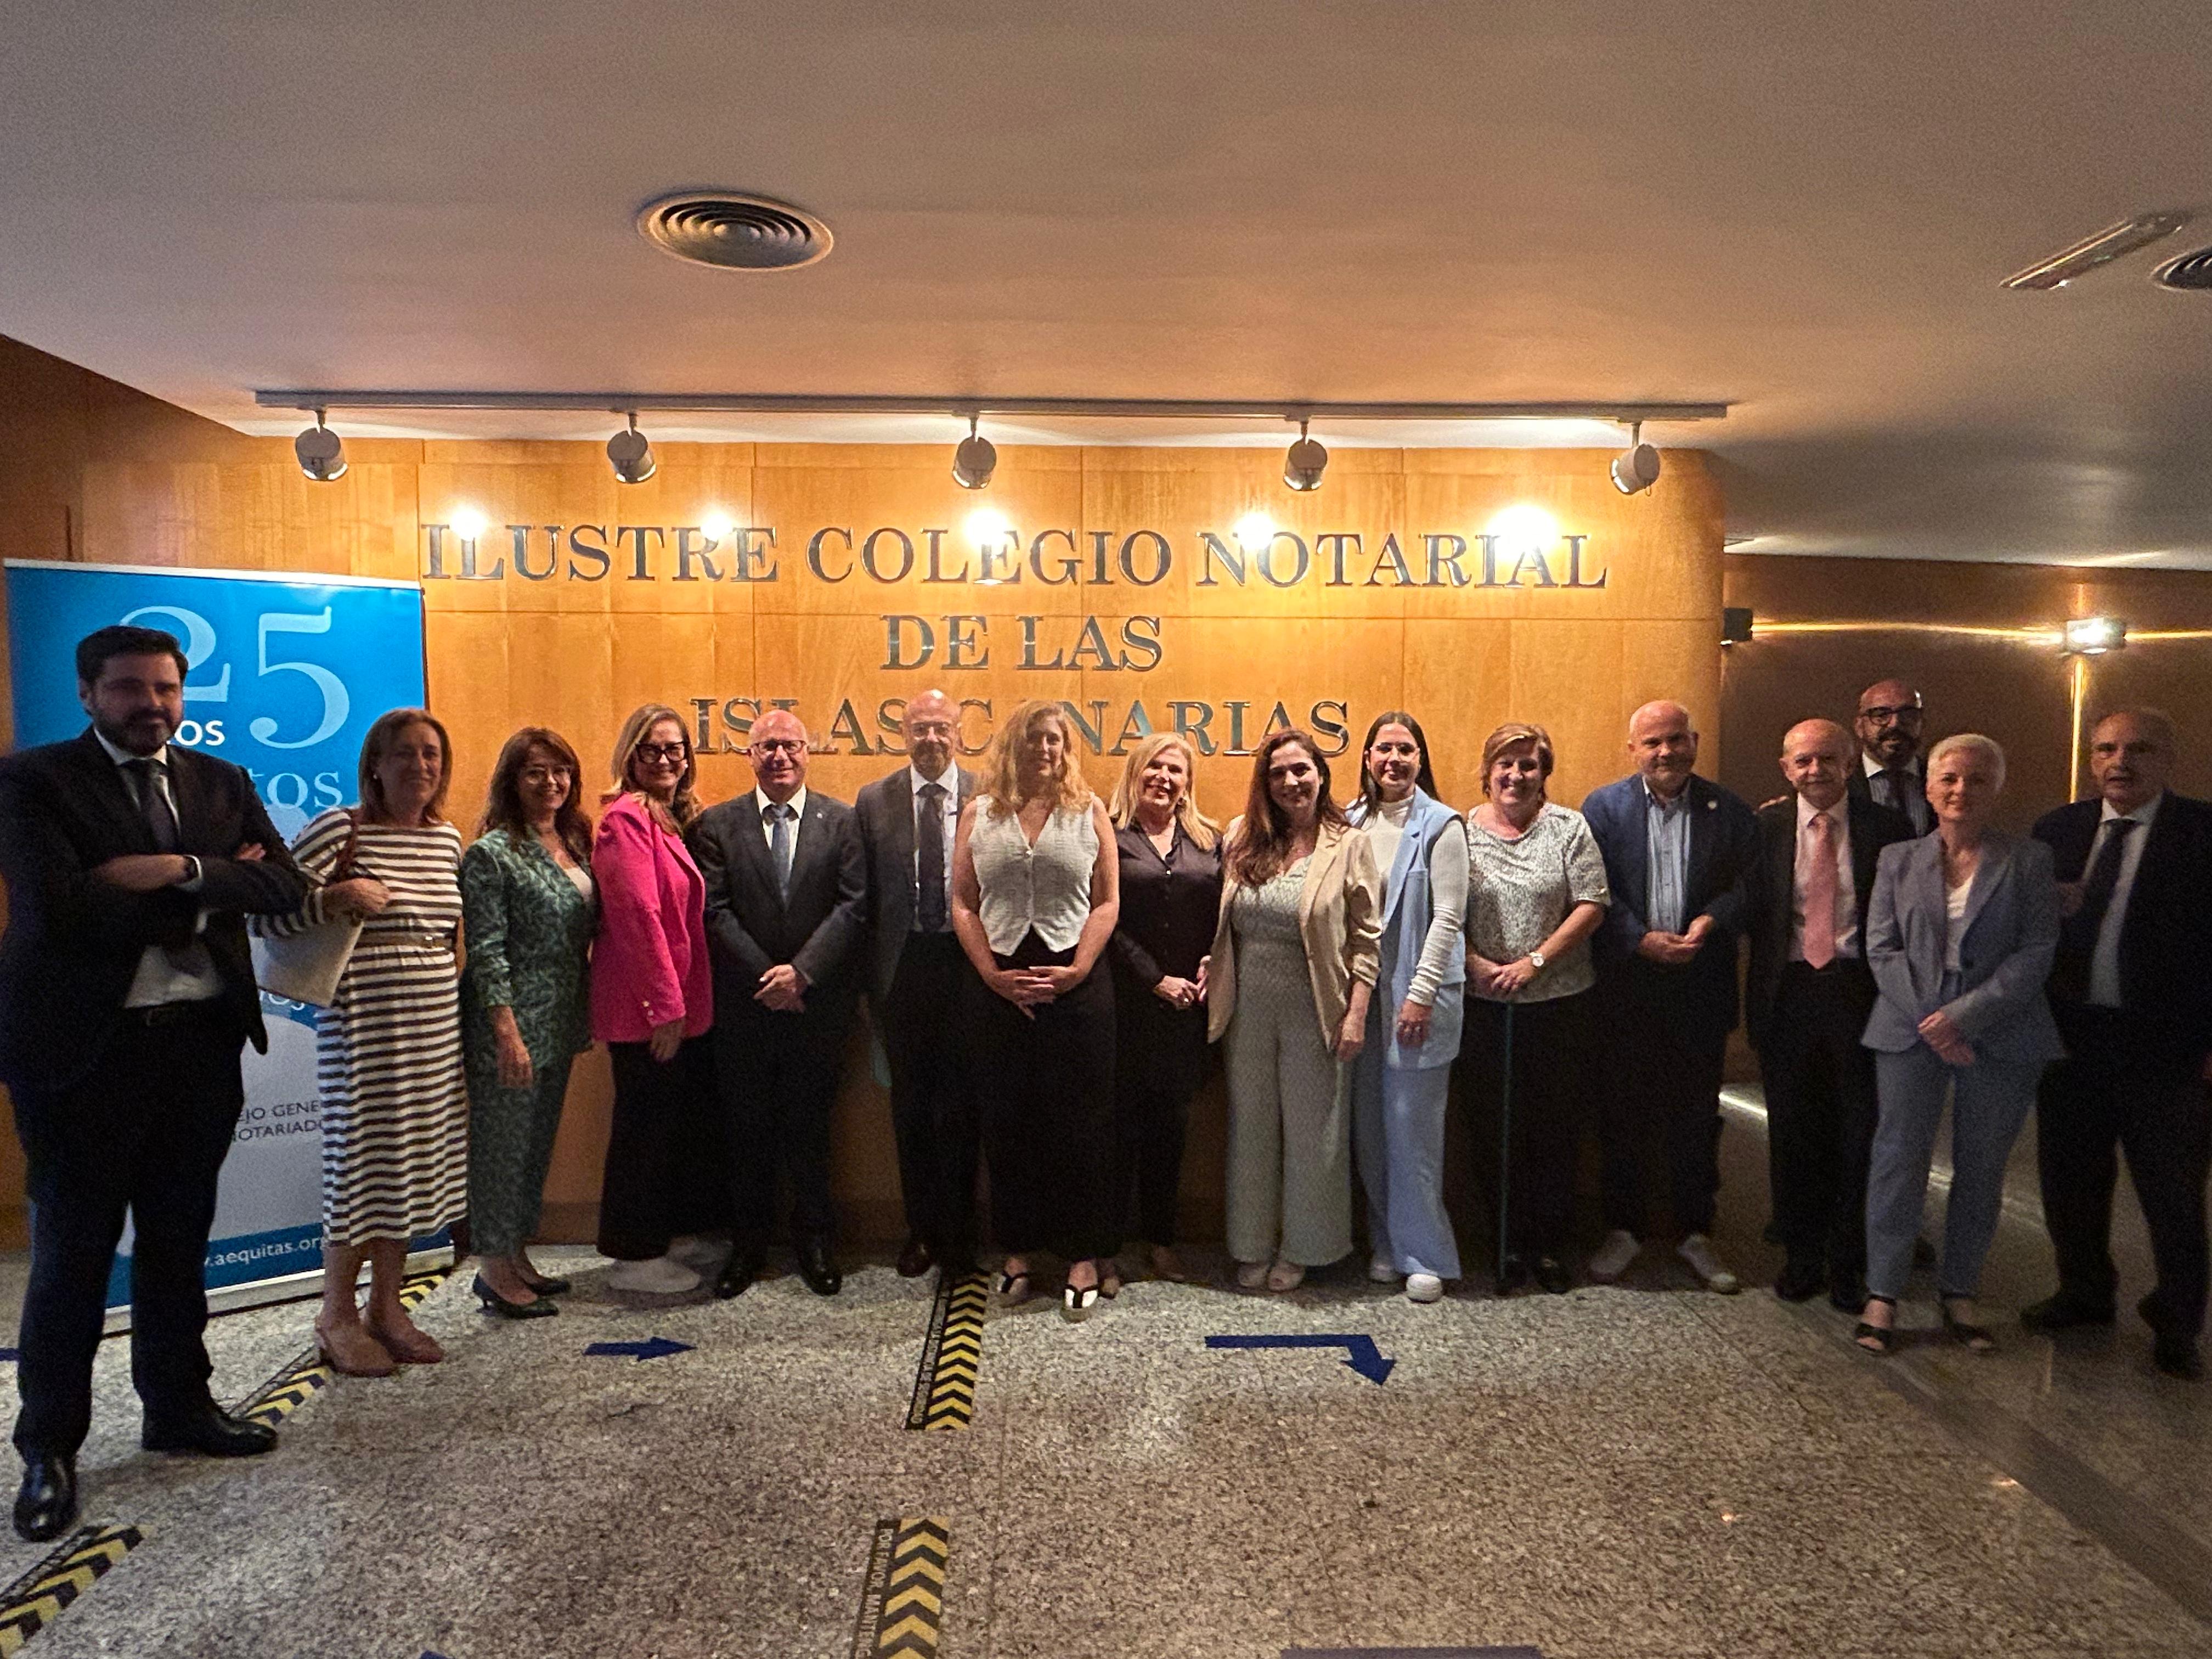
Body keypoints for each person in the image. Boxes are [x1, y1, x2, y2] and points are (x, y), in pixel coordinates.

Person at [0, 625, 306, 1542]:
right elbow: (60, 905)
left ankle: (178, 1406)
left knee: (179, 1243)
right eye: (129, 687)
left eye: (166, 688)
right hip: (84, 1055)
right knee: (73, 1257)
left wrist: (172, 870)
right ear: (89, 693)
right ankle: (50, 1447)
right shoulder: (32, 780)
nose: (151, 704)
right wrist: (221, 880)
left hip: (198, 1048)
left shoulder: (221, 781)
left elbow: (283, 885)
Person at [267, 708, 469, 1377]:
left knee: (410, 1170)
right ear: (375, 764)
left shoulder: (446, 840)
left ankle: (388, 1307)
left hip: (433, 1029)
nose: (421, 766)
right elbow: (272, 910)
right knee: (360, 1170)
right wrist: (338, 894)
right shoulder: (340, 828)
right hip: (363, 1030)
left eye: (432, 755)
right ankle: (336, 1315)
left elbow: (446, 932)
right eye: (405, 754)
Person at [1856, 734, 2062, 1355]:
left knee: (1982, 1165)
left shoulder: (2029, 860)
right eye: (1948, 778)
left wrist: (1965, 1018)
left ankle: (1960, 1291)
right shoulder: (1897, 858)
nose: (1960, 790)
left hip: (2002, 1029)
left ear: (1995, 788)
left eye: (1975, 779)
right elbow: (1881, 946)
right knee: (1898, 1159)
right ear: (1928, 786)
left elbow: (2036, 950)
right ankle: (1883, 1293)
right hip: (1909, 1022)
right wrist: (1933, 1020)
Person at [2027, 710, 2212, 1380]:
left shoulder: (2202, 833)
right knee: (2070, 1179)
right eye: (2106, 749)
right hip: (2072, 1039)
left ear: (2169, 758)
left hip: (2167, 1047)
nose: (2120, 762)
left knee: (2173, 1195)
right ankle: (2083, 1292)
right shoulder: (2059, 830)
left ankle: (2177, 1319)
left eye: (2138, 749)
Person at [687, 709, 867, 1299]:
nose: (780, 756)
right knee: (747, 1132)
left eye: (790, 745)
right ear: (750, 755)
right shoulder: (717, 824)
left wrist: (804, 974)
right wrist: (770, 976)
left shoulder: (842, 822)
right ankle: (748, 1248)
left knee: (812, 1130)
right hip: (746, 1007)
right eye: (767, 746)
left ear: (808, 751)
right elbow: (712, 910)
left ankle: (816, 1242)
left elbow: (852, 905)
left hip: (819, 1006)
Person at [1735, 720, 1914, 1311]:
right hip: (1786, 995)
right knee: (1791, 1132)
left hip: (1860, 993)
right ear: (1786, 767)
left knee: (1858, 1130)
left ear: (1849, 762)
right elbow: (1747, 902)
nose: (1816, 771)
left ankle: (1848, 1262)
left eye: (1828, 760)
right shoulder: (1765, 826)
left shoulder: (1888, 828)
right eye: (1803, 761)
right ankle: (1801, 1255)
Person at [951, 699, 1122, 1318]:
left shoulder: (1089, 812)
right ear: (1012, 748)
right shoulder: (979, 813)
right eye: (1031, 741)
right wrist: (992, 977)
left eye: (1053, 740)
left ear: (1066, 747)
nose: (1042, 751)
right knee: (1007, 1119)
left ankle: (1083, 1253)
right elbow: (963, 902)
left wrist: (1078, 968)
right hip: (998, 987)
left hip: (1077, 986)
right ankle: (1019, 1249)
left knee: (1082, 1122)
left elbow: (1107, 902)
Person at [1581, 701, 1758, 1293]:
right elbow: (1592, 890)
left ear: (1695, 741)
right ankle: (1624, 1227)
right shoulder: (1603, 809)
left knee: (1696, 1115)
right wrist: (1638, 939)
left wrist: (1711, 922)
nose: (1665, 752)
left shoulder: (1728, 810)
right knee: (1623, 1111)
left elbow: (1746, 888)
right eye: (1652, 743)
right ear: (1633, 749)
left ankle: (1694, 1231)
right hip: (1626, 988)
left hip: (1699, 987)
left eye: (1676, 740)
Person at [1206, 729, 1381, 1292]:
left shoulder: (1349, 843)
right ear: (1266, 783)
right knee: (1250, 1127)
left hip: (1316, 1005)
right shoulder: (1241, 836)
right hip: (1247, 1007)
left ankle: (1306, 1247)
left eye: (1301, 770)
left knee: (1314, 1132)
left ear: (1322, 774)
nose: (1291, 782)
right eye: (1279, 773)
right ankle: (1252, 1243)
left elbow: (1366, 938)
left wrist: (1356, 1014)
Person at [1459, 723, 1610, 1294]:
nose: (1516, 775)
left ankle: (1548, 1248)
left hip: (1559, 1004)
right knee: (1492, 1129)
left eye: (1529, 765)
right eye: (1506, 763)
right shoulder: (1460, 830)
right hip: (1484, 1004)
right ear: (1487, 770)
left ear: (1544, 773)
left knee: (1553, 1130)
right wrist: (1475, 962)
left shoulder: (1569, 827)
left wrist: (1536, 962)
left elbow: (1592, 903)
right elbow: (1440, 906)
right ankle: (1504, 1246)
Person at [459, 727, 597, 1319]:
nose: (551, 782)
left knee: (535, 1143)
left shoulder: (572, 840)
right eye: (536, 771)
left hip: (560, 1015)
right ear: (511, 781)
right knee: (501, 1147)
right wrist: (505, 1031)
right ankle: (492, 1268)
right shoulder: (492, 853)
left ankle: (515, 1254)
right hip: (509, 1020)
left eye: (560, 770)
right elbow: (485, 949)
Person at [855, 691, 983, 1279]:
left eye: (942, 728)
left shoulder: (987, 793)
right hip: (901, 971)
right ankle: (922, 1232)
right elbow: (863, 901)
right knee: (910, 1110)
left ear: (959, 733)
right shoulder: (874, 800)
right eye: (920, 729)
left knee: (964, 1107)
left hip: (968, 967)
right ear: (902, 733)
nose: (931, 739)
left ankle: (960, 1235)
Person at [590, 704, 714, 1296]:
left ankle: (658, 1235)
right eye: (652, 749)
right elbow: (638, 917)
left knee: (666, 1126)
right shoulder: (625, 820)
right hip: (645, 1011)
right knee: (642, 1129)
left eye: (675, 749)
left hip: (670, 1008)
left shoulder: (666, 817)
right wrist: (664, 1007)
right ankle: (635, 1254)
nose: (665, 759)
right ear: (630, 757)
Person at [1346, 712, 1468, 1304]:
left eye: (1405, 749)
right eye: (1383, 749)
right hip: (1360, 1000)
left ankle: (1425, 1253)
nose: (1393, 760)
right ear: (1366, 757)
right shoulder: (1348, 822)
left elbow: (1448, 917)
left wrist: (1420, 994)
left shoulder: (1443, 825)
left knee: (1412, 1132)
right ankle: (1387, 1243)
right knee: (1369, 1130)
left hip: (1414, 999)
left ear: (1421, 758)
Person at [1105, 732, 1223, 1288]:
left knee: (1171, 1131)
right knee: (1117, 1129)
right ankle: (1108, 1244)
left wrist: (1211, 960)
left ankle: (1161, 1240)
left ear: (1188, 783)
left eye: (1176, 770)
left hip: (1187, 1012)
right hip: (1127, 1006)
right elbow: (1101, 920)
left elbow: (1226, 914)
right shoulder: (1109, 834)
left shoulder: (1209, 839)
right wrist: (1154, 979)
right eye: (1155, 766)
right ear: (1135, 771)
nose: (1164, 778)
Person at [1848, 678, 1934, 836]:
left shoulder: (1941, 780)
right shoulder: (1840, 784)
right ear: (1859, 727)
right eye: (1881, 715)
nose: (1895, 724)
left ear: (1922, 723)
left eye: (1908, 715)